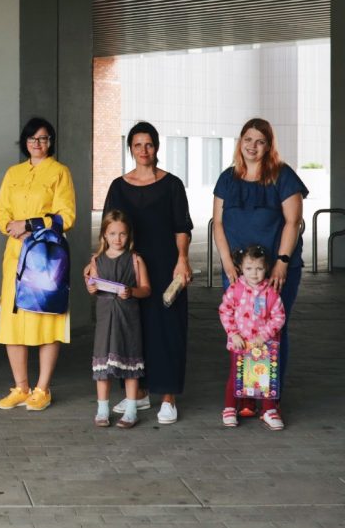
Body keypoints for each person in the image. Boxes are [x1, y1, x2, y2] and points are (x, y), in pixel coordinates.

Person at [95, 122, 192, 425]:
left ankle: (168, 398)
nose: (143, 150)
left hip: (165, 266)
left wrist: (183, 259)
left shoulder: (172, 185)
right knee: (131, 332)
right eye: (137, 145)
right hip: (128, 269)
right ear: (131, 149)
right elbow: (107, 230)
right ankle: (137, 394)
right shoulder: (118, 186)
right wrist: (96, 262)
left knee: (166, 330)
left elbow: (182, 228)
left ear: (157, 147)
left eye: (148, 144)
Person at [213, 118, 307, 407]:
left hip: (276, 271)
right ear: (240, 141)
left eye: (260, 141)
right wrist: (228, 263)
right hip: (238, 273)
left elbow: (293, 221)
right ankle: (245, 395)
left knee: (272, 331)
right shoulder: (227, 179)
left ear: (269, 146)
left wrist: (282, 261)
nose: (253, 146)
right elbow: (217, 223)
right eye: (248, 140)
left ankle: (269, 397)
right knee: (240, 330)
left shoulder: (282, 175)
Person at [0, 117, 75, 412]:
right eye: (33, 139)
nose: (38, 144)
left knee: (45, 316)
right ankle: (21, 387)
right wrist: (10, 226)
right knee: (13, 320)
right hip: (15, 255)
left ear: (51, 142)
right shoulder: (13, 173)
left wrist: (31, 225)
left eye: (44, 139)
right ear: (25, 142)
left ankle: (43, 388)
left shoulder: (60, 172)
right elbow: (1, 210)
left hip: (45, 257)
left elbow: (67, 216)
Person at [86, 210, 150, 429]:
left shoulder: (135, 259)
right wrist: (91, 287)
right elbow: (92, 287)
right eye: (112, 233)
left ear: (128, 235)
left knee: (130, 361)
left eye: (122, 234)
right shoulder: (97, 260)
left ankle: (131, 409)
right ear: (104, 234)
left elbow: (146, 289)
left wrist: (131, 291)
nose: (117, 238)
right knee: (102, 363)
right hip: (105, 318)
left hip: (128, 317)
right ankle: (102, 409)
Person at [218, 244, 286, 430]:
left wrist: (264, 336)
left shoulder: (271, 292)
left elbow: (279, 317)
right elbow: (225, 311)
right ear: (240, 268)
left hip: (265, 346)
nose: (254, 273)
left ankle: (268, 410)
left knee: (266, 378)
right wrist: (233, 333)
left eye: (259, 268)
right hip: (241, 344)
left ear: (267, 269)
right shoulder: (235, 290)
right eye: (249, 268)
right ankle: (231, 407)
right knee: (236, 375)